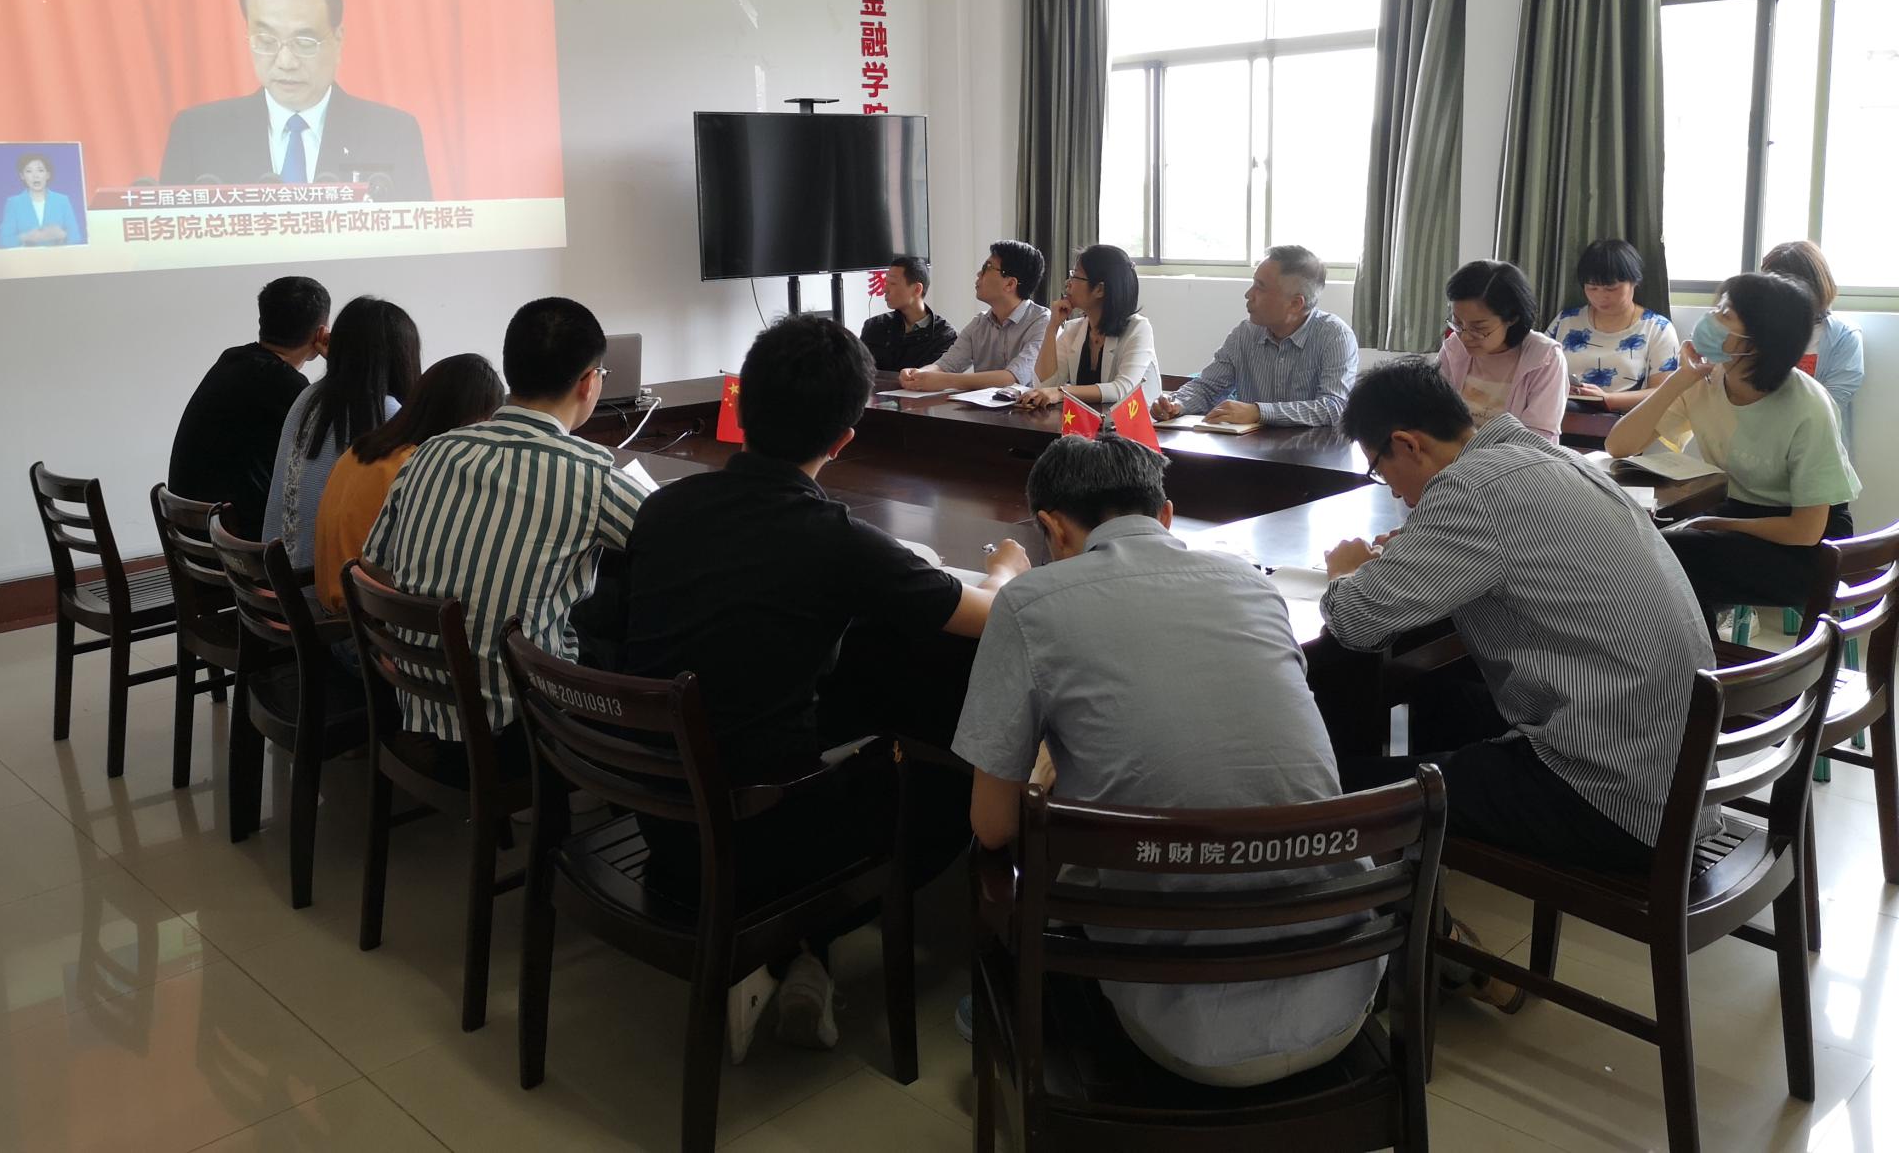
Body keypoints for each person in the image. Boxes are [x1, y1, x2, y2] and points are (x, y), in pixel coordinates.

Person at [618, 314, 1030, 1060]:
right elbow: (993, 617)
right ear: (844, 438)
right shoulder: (834, 539)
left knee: (850, 689)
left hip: (657, 815)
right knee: (946, 770)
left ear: (741, 408)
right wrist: (1007, 565)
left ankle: (796, 955)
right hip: (752, 836)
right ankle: (791, 943)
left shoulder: (662, 508)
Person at [955, 432, 1382, 1087]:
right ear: (1166, 515)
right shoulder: (1253, 584)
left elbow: (994, 826)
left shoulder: (1028, 602)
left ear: (1052, 528)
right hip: (1345, 988)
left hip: (1179, 1025)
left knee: (1033, 838)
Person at [1318, 361, 1711, 890]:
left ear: (1408, 445)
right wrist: (1421, 553)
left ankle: (1387, 907)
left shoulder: (1471, 489)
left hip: (1612, 800)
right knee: (1437, 700)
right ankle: (1427, 872)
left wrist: (1346, 573)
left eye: (1379, 470)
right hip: (1672, 775)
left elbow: (1357, 622)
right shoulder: (1548, 458)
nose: (1391, 492)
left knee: (1344, 782)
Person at [362, 297, 647, 778]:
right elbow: (675, 541)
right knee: (636, 623)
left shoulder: (431, 451)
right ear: (588, 382)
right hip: (522, 727)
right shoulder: (590, 474)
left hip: (418, 705)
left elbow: (373, 566)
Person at [1609, 271, 1858, 618]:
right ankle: (1692, 649)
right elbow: (1619, 445)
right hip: (1743, 514)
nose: (1710, 318)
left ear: (1756, 341)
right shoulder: (1706, 380)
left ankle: (1689, 651)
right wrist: (1680, 379)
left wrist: (1719, 524)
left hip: (1810, 547)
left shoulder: (1809, 406)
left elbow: (1806, 529)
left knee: (1671, 556)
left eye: (1725, 313)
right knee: (1642, 545)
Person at [159, 0, 433, 198]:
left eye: (304, 42)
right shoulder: (197, 134)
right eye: (266, 40)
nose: (285, 62)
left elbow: (421, 237)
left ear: (338, 40)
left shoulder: (393, 134)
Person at [313, 353, 505, 615]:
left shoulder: (361, 449)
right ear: (466, 417)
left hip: (331, 606)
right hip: (362, 622)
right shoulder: (419, 468)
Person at [263, 295, 421, 568]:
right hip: (323, 583)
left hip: (279, 574)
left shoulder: (309, 396)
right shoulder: (385, 414)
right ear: (403, 356)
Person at [169, 276, 331, 538]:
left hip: (192, 532)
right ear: (321, 333)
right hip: (233, 544)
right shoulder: (284, 384)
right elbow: (335, 442)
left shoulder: (232, 359)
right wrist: (339, 362)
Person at [1148, 245, 1357, 428]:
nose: (1248, 294)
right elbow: (1208, 387)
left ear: (1295, 303)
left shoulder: (1335, 337)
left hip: (1312, 455)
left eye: (1260, 287)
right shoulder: (1245, 333)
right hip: (1250, 451)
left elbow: (1334, 407)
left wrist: (1259, 412)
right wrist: (1176, 403)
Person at [1437, 259, 1568, 443]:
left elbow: (1537, 439)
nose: (1464, 337)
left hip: (1517, 459)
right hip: (1454, 458)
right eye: (1457, 323)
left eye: (1479, 328)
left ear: (1512, 318)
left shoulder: (1544, 358)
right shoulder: (1454, 348)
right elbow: (1434, 416)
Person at [1016, 243, 1160, 410]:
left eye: (1075, 276)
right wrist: (1052, 327)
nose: (1068, 283)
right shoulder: (1073, 330)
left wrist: (1062, 392)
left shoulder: (1138, 329)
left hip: (1135, 423)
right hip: (1088, 424)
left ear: (1099, 289)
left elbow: (1122, 389)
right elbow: (1045, 386)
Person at [896, 240, 1048, 391]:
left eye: (987, 267)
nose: (979, 274)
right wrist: (918, 374)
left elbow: (1013, 378)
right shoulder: (979, 323)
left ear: (1010, 284)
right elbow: (945, 365)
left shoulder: (1041, 321)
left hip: (1026, 406)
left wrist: (946, 381)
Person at [1546, 238, 1679, 410]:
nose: (1601, 297)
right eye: (1592, 288)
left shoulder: (1658, 328)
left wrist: (1607, 399)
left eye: (1611, 289)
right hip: (1560, 413)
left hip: (1622, 418)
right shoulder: (1566, 320)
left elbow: (1664, 392)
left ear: (1633, 282)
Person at [1761, 239, 1863, 446]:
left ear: (1815, 287)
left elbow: (1831, 404)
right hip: (1761, 447)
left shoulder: (1844, 336)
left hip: (1816, 448)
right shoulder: (1759, 329)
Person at [857, 254, 957, 372]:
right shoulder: (874, 326)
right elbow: (861, 373)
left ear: (917, 289)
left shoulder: (944, 335)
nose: (885, 289)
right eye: (886, 282)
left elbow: (937, 377)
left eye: (893, 283)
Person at [0, 151, 84, 249]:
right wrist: (26, 236)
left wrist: (62, 234)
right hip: (26, 257)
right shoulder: (13, 203)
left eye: (40, 170)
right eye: (29, 171)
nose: (35, 175)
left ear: (48, 175)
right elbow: (3, 241)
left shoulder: (62, 200)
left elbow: (76, 237)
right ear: (22, 176)